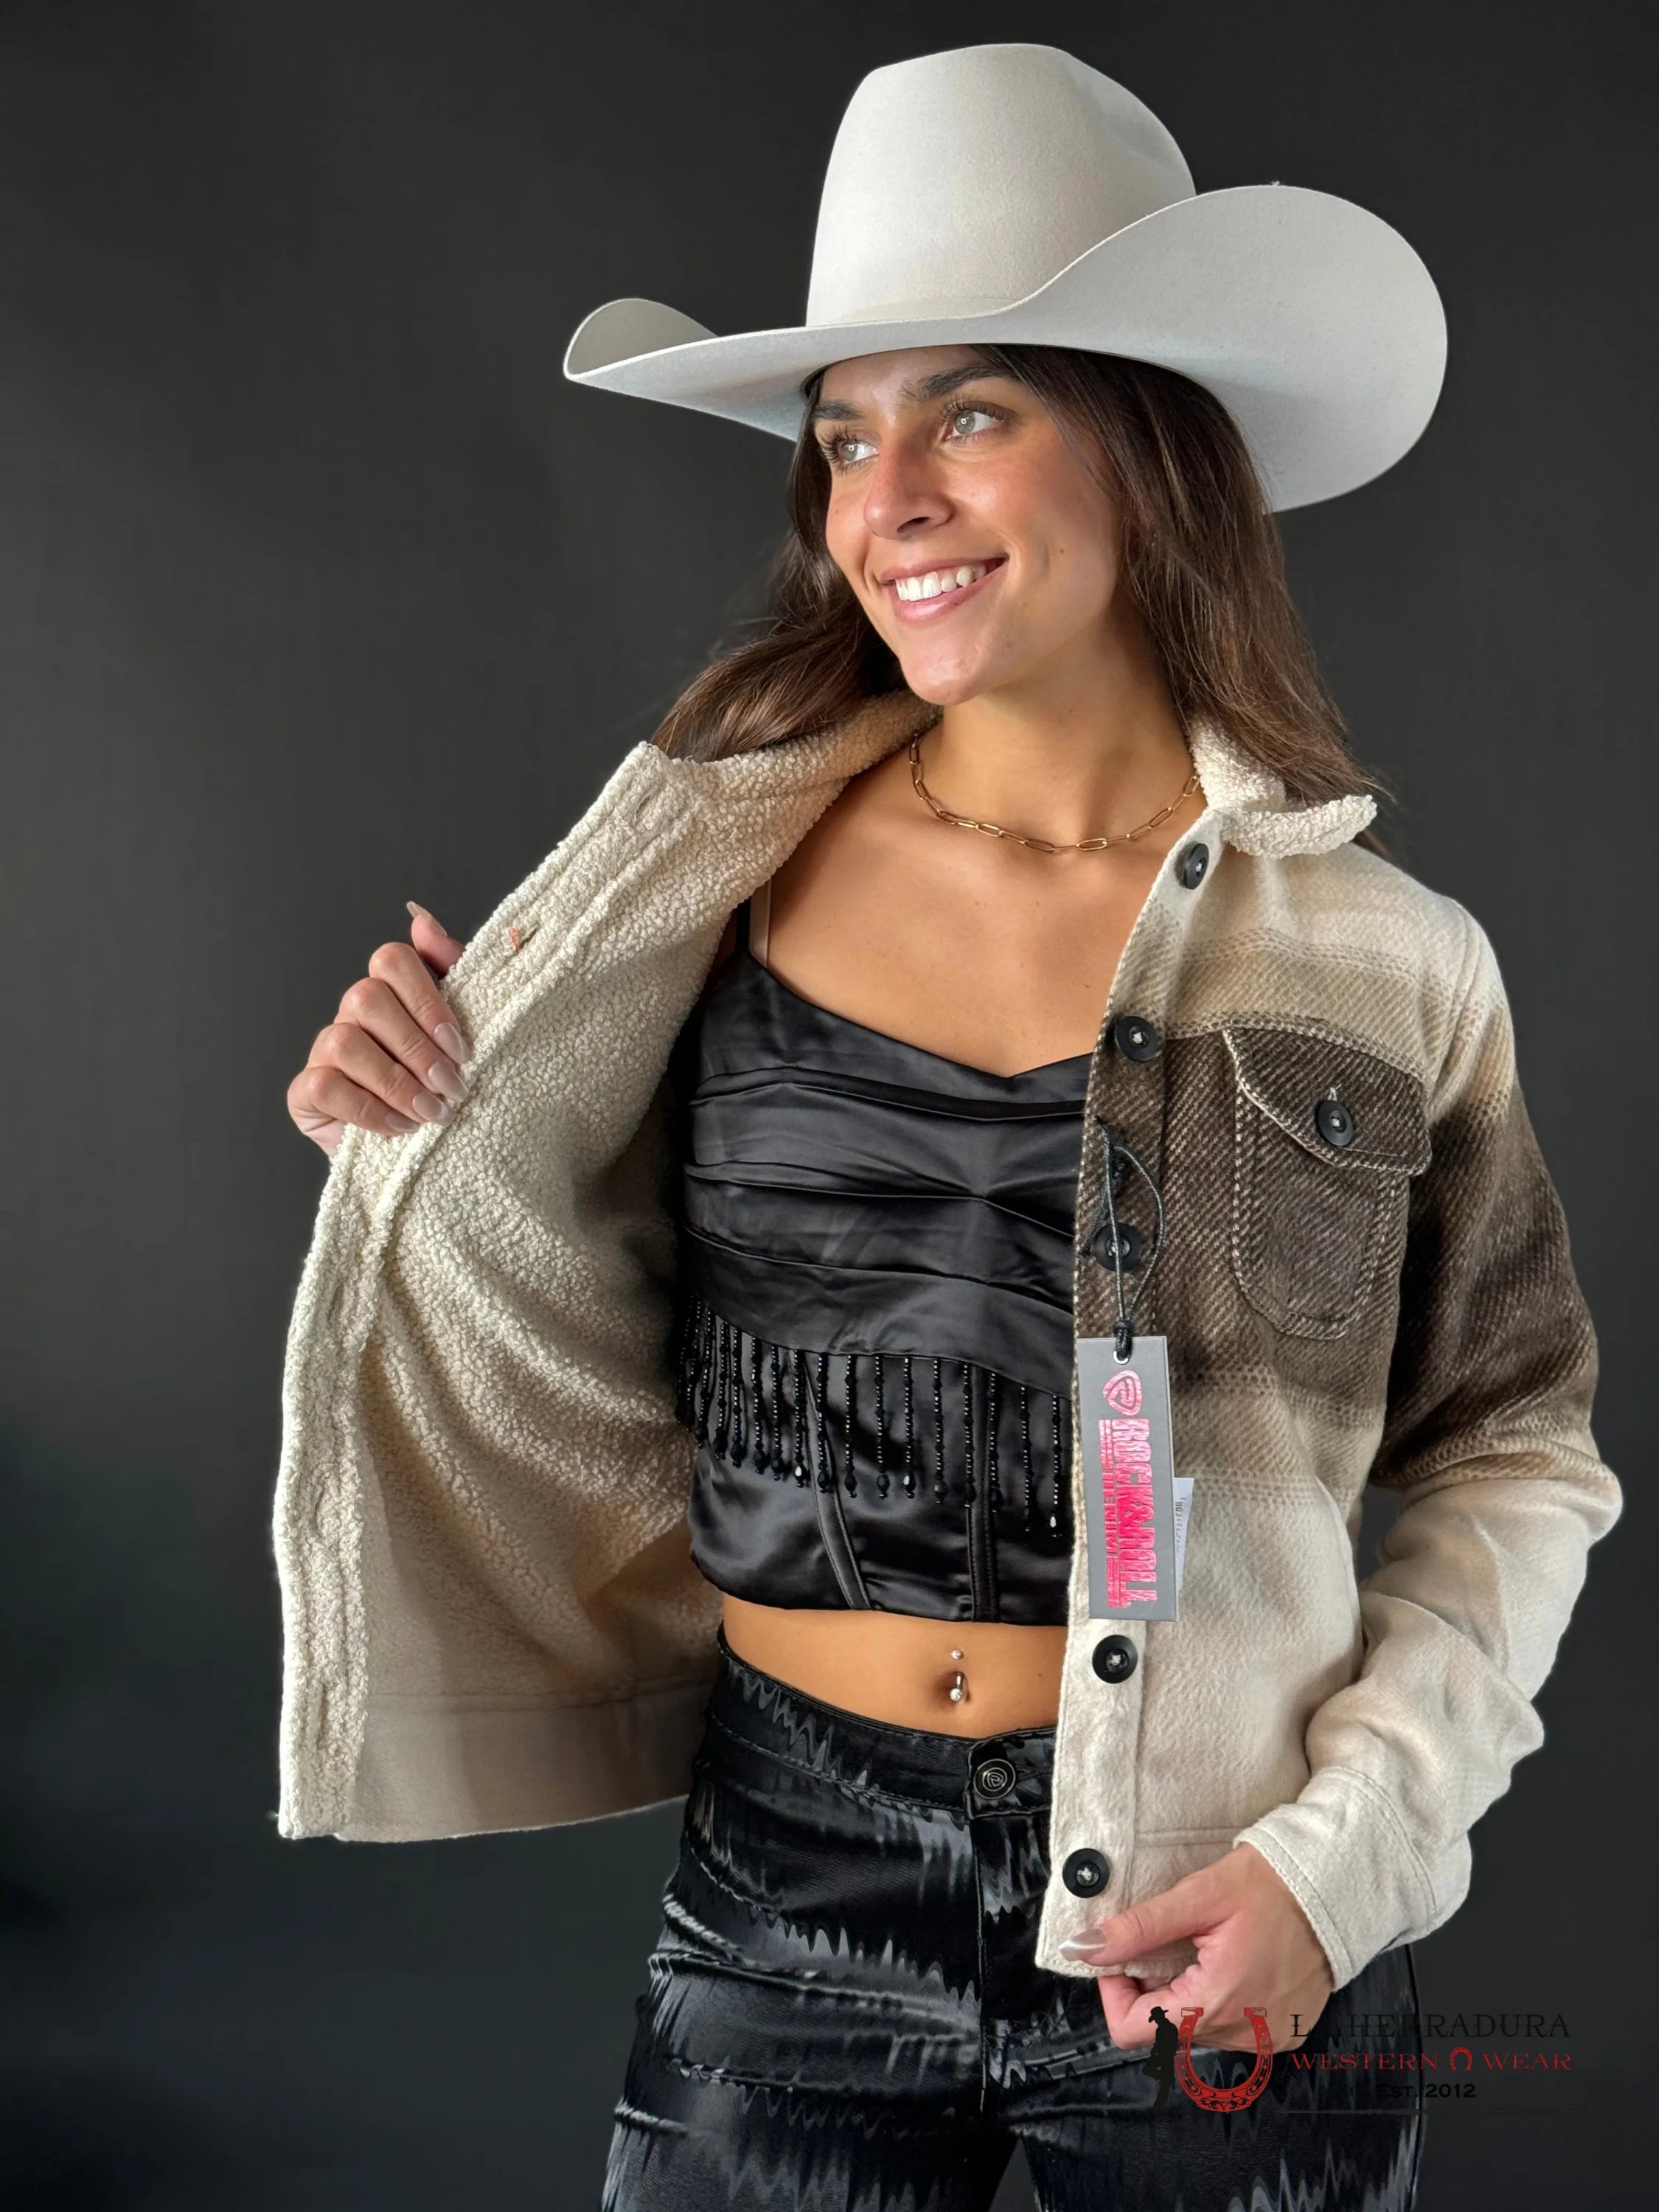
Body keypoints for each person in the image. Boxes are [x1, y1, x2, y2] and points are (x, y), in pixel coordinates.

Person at [276, 44, 1621, 2212]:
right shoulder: (699, 885)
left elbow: (1514, 1448)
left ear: (1152, 451)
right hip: (787, 1870)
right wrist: (408, 1137)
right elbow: (546, 1292)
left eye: (967, 414)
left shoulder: (1391, 965)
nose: (880, 498)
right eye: (842, 436)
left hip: (1221, 1902)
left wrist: (1344, 1861)